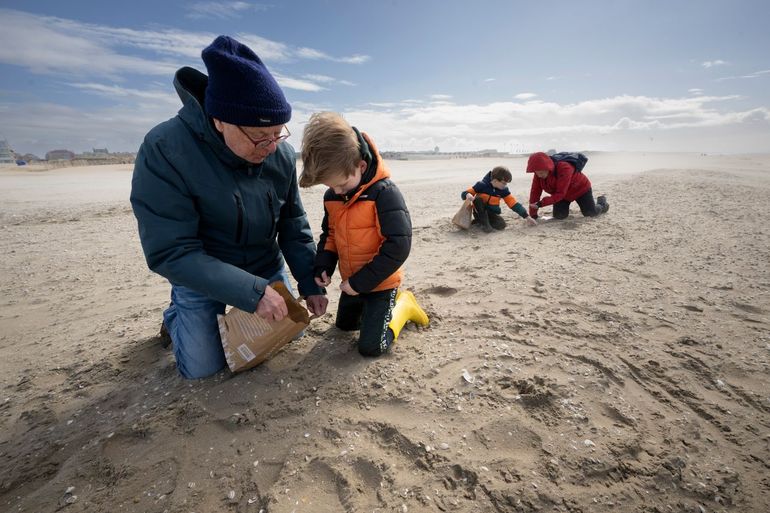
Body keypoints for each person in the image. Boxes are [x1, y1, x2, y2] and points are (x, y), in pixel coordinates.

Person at [130, 35, 328, 379]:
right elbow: (171, 251)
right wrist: (251, 293)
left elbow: (293, 223)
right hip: (203, 274)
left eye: (278, 134)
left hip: (264, 265)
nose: (270, 147)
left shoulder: (277, 153)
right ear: (219, 120)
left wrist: (310, 281)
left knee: (293, 332)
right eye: (258, 138)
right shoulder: (165, 149)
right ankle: (176, 316)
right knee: (203, 369)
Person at [298, 112, 429, 357]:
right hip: (353, 283)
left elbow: (398, 246)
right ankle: (369, 308)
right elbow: (331, 234)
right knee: (345, 326)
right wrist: (323, 265)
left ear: (361, 166)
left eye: (342, 184)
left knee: (371, 347)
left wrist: (361, 283)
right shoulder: (333, 196)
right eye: (330, 186)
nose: (336, 191)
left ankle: (405, 305)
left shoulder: (384, 193)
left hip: (380, 283)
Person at [526, 152, 609, 220]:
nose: (539, 175)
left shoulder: (564, 167)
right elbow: (535, 192)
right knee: (559, 216)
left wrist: (540, 204)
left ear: (548, 167)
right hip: (563, 196)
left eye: (540, 173)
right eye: (536, 172)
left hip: (580, 189)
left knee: (590, 213)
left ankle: (602, 203)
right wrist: (533, 215)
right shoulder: (538, 173)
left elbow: (560, 193)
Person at [461, 166, 536, 232]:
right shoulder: (481, 185)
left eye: (506, 183)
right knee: (478, 199)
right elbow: (464, 193)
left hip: (491, 213)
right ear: (495, 181)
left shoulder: (503, 190)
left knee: (501, 225)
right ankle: (485, 226)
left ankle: (480, 223)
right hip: (479, 211)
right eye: (504, 183)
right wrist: (468, 195)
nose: (505, 185)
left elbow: (513, 203)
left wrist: (527, 217)